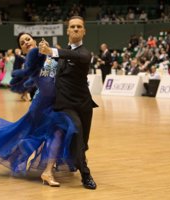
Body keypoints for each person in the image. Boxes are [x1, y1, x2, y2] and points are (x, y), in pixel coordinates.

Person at [0, 33, 77, 187]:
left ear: (34, 40)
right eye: (22, 42)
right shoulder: (32, 60)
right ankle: (45, 169)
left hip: (55, 102)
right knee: (55, 131)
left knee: (47, 133)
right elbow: (32, 75)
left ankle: (42, 166)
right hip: (43, 106)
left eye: (28, 39)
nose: (26, 42)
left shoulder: (49, 54)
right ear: (21, 49)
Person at [38, 16, 98, 189]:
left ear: (84, 31)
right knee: (77, 131)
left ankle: (74, 160)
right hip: (65, 105)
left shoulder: (85, 53)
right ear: (68, 30)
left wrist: (52, 51)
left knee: (83, 143)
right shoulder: (62, 54)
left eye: (79, 26)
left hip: (84, 104)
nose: (76, 29)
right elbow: (50, 69)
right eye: (73, 26)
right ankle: (86, 175)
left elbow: (73, 55)